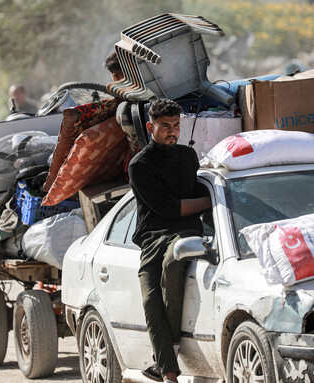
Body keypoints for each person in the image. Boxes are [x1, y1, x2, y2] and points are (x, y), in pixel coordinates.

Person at [128, 98, 211, 383]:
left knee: (172, 264)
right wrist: (208, 201)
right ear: (151, 127)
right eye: (165, 126)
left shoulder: (188, 156)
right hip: (153, 236)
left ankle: (168, 369)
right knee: (151, 299)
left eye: (176, 125)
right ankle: (168, 371)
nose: (171, 132)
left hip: (185, 230)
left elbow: (189, 200)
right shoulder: (139, 165)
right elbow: (167, 208)